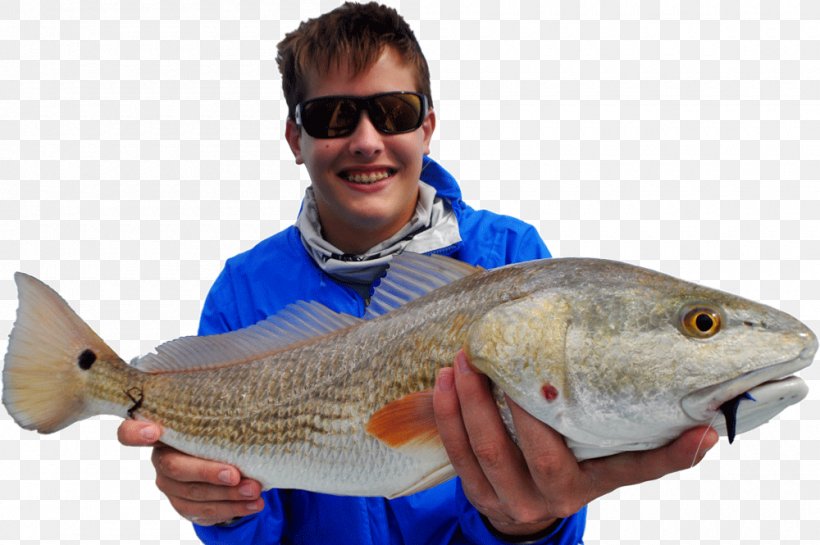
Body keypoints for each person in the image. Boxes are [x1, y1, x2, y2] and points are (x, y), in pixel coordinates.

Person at [118, 3, 718, 544]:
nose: (365, 140)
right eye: (331, 118)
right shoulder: (243, 287)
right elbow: (252, 528)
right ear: (294, 139)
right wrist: (223, 511)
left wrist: (522, 527)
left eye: (392, 111)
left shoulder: (513, 259)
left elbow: (552, 476)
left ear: (426, 127)